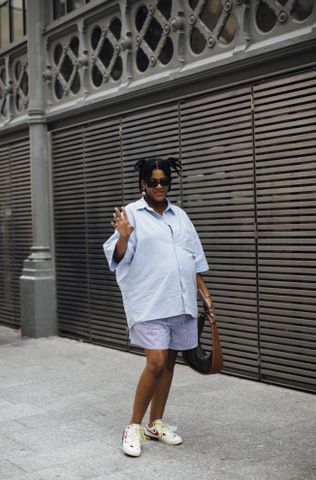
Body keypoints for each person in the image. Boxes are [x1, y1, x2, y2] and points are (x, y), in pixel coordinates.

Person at [103, 157, 214, 457]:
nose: (159, 186)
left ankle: (155, 423)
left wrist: (204, 293)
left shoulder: (180, 216)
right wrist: (123, 238)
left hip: (179, 301)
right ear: (143, 184)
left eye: (164, 181)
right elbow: (118, 256)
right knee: (154, 362)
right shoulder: (132, 214)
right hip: (149, 302)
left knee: (167, 363)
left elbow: (194, 257)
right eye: (153, 182)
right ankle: (133, 426)